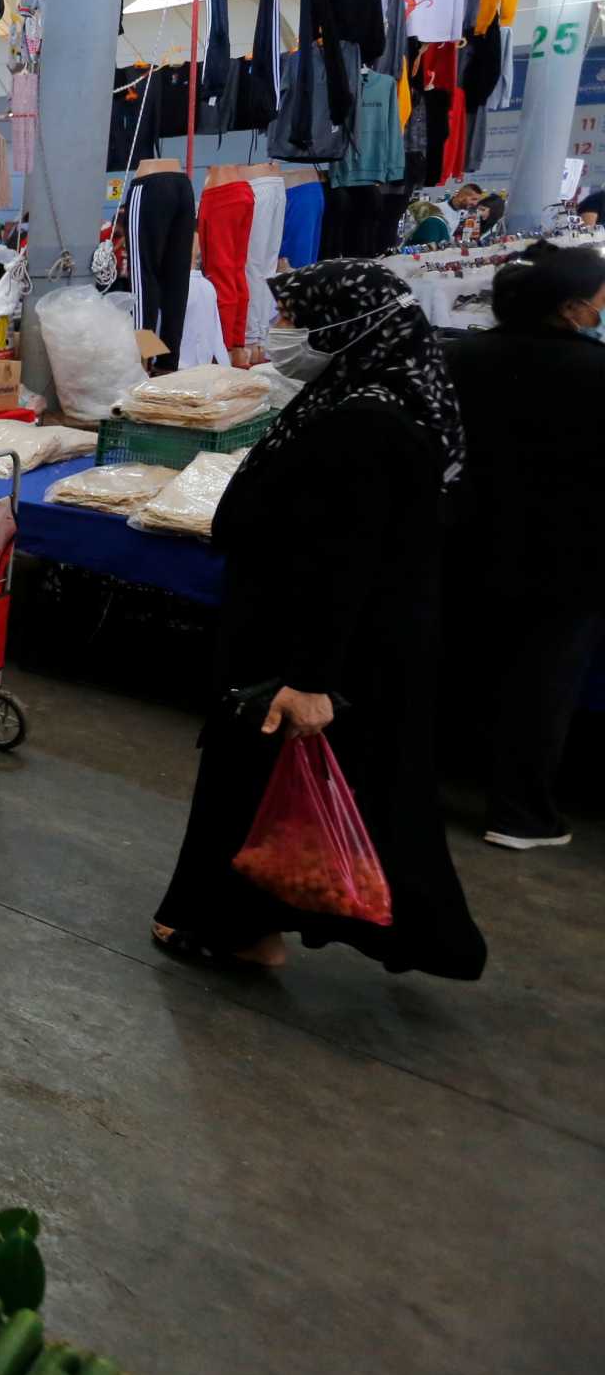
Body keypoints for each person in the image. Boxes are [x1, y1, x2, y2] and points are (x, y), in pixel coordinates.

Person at [152, 261, 487, 979]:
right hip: (315, 637)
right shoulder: (358, 393)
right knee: (278, 787)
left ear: (347, 324)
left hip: (309, 647)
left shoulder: (366, 420)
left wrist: (310, 678)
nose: (282, 332)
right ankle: (236, 922)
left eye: (296, 315)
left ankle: (242, 930)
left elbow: (347, 562)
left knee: (271, 788)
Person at [443, 241, 605, 848]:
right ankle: (519, 813)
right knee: (542, 684)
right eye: (598, 299)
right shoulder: (596, 373)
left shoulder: (460, 356)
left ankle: (423, 782)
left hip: (466, 536)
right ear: (570, 308)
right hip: (567, 557)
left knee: (460, 663)